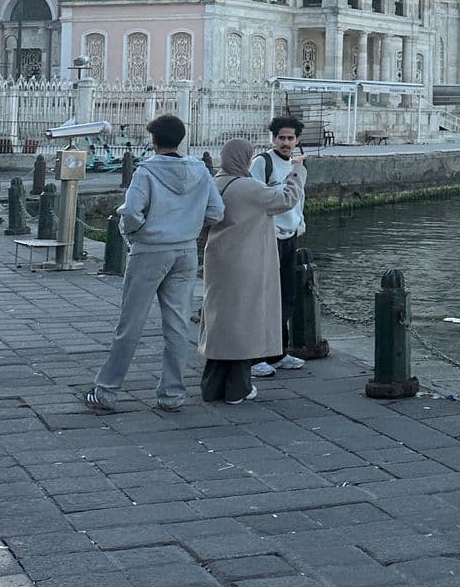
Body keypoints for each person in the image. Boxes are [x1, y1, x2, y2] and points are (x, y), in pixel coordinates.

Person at [82, 114, 224, 413]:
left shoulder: (146, 172)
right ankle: (172, 393)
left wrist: (135, 233)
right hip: (185, 251)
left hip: (150, 250)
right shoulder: (200, 170)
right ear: (181, 138)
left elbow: (132, 211)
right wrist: (191, 227)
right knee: (177, 324)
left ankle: (107, 391)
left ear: (154, 140)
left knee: (130, 323)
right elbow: (216, 211)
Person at [199, 138, 305, 403]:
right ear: (245, 159)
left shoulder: (214, 183)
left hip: (217, 260)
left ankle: (212, 386)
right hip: (245, 262)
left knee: (219, 320)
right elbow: (286, 198)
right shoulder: (248, 187)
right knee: (242, 322)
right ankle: (238, 387)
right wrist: (297, 172)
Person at [251, 113, 309, 380]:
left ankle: (278, 351)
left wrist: (300, 223)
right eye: (281, 138)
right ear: (273, 138)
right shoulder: (262, 163)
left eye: (290, 138)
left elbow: (298, 199)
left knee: (287, 295)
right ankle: (256, 356)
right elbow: (254, 198)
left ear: (297, 140)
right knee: (264, 296)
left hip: (290, 236)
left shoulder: (297, 166)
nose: (286, 142)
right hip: (268, 236)